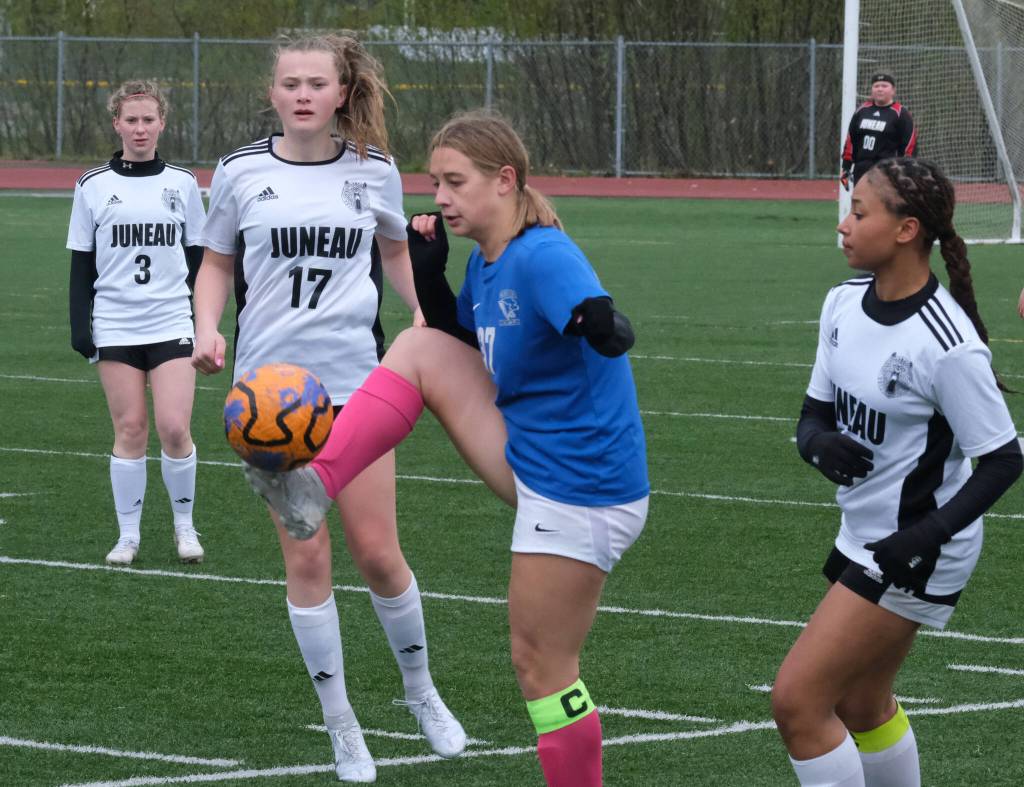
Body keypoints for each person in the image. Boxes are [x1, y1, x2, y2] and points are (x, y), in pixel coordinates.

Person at [246, 109, 649, 787]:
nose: (439, 196)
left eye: (455, 182)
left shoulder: (541, 253)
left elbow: (590, 310)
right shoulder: (492, 263)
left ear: (505, 181)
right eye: (435, 182)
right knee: (418, 345)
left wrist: (599, 320)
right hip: (533, 456)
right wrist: (432, 277)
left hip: (583, 487)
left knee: (541, 665)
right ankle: (314, 487)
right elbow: (462, 347)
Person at [191, 33, 466, 783]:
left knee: (378, 552)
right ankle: (342, 723)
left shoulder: (371, 170)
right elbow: (216, 261)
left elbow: (395, 252)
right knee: (307, 556)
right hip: (271, 399)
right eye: (290, 83)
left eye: (318, 82)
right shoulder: (242, 171)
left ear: (342, 93)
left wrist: (425, 312)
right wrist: (207, 327)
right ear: (274, 94)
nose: (304, 93)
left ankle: (420, 692)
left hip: (355, 385)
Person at [772, 156, 1021, 787]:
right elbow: (812, 415)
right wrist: (818, 445)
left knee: (798, 702)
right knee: (861, 704)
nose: (844, 225)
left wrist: (920, 540)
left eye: (859, 212)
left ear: (907, 230)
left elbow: (1002, 459)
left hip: (916, 545)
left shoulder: (947, 344)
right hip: (866, 530)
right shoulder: (842, 303)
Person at [67, 79, 207, 567]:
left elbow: (200, 258)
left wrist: (203, 320)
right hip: (115, 323)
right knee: (130, 427)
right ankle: (128, 537)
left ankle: (184, 527)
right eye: (131, 119)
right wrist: (79, 326)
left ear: (162, 123)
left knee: (173, 427)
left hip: (171, 321)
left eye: (149, 119)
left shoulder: (183, 184)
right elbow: (82, 262)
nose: (141, 128)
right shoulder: (92, 185)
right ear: (116, 124)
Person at [841, 73, 917, 190]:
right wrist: (846, 167)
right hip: (862, 168)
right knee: (861, 205)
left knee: (882, 206)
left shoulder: (901, 114)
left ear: (893, 91)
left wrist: (906, 171)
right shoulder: (862, 111)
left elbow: (909, 146)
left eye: (884, 86)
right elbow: (851, 140)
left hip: (886, 170)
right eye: (876, 86)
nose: (880, 89)